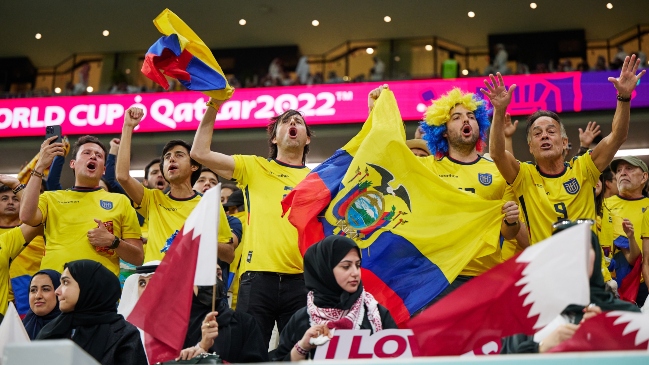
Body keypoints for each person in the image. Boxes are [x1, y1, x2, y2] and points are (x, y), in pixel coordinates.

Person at [369, 85, 527, 301]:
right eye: (456, 117)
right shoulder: (425, 167)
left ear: (478, 124)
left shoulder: (497, 169)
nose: (466, 120)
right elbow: (384, 156)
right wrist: (376, 111)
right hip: (438, 277)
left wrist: (511, 221)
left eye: (471, 116)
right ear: (443, 130)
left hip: (486, 276)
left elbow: (508, 233)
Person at [487, 55, 646, 245]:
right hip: (548, 271)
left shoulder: (584, 168)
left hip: (590, 271)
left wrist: (624, 97)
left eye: (551, 131)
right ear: (530, 147)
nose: (544, 136)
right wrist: (498, 111)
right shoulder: (524, 176)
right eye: (537, 134)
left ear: (564, 142)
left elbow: (617, 136)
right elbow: (497, 154)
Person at [191, 99, 312, 347]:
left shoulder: (318, 178)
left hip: (303, 281)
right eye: (286, 120)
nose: (292, 122)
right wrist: (214, 105)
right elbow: (199, 153)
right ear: (274, 138)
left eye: (298, 121)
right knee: (245, 354)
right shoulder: (254, 167)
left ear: (307, 139)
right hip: (256, 281)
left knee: (300, 355)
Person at [501, 221, 640, 353]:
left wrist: (611, 335)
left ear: (596, 256)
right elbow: (506, 360)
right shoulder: (525, 316)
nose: (576, 255)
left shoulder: (625, 314)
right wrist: (541, 348)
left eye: (584, 247)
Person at [116, 108, 233, 263]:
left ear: (194, 166)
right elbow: (122, 176)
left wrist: (203, 240)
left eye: (179, 155)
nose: (171, 159)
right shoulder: (153, 200)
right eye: (167, 157)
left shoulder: (210, 205)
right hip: (155, 279)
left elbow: (229, 255)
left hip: (192, 284)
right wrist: (128, 127)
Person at [19, 135, 144, 275]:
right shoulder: (51, 197)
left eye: (99, 155)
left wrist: (113, 241)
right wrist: (40, 166)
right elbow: (26, 216)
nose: (93, 157)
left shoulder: (120, 201)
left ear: (103, 169)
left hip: (100, 289)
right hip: (56, 285)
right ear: (73, 163)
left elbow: (138, 258)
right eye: (86, 153)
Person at [274, 236, 397, 361]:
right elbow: (279, 360)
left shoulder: (375, 314)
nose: (355, 273)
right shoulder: (301, 319)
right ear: (324, 270)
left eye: (358, 265)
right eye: (346, 266)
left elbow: (401, 359)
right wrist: (302, 347)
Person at [36, 260, 147, 365]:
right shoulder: (51, 330)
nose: (57, 291)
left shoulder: (123, 334)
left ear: (88, 286)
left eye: (65, 282)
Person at [178, 279, 268, 363]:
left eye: (219, 274)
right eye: (205, 276)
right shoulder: (176, 325)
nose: (213, 279)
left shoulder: (245, 322)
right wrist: (199, 348)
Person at [600, 156, 648, 306]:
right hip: (615, 283)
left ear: (644, 177)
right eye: (619, 170)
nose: (622, 173)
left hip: (644, 283)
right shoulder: (603, 205)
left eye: (629, 169)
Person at [22, 270, 61, 339]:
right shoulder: (21, 328)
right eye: (33, 290)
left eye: (45, 289)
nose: (38, 296)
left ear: (59, 292)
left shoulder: (71, 329)